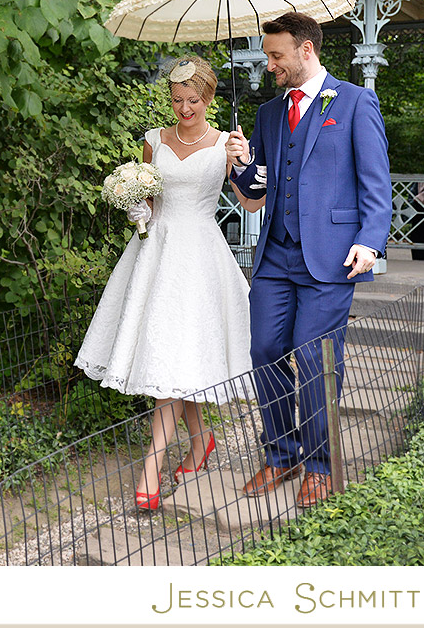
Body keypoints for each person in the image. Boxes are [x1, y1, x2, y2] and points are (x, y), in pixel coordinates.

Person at [75, 55, 265, 511]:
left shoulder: (225, 144)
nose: (184, 109)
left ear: (209, 98)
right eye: (178, 100)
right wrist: (137, 210)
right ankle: (201, 443)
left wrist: (243, 164)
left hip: (200, 259)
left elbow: (253, 204)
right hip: (155, 257)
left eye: (193, 100)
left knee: (176, 360)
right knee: (172, 356)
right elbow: (150, 200)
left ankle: (151, 466)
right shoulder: (152, 142)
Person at [225, 12, 391, 509]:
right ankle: (281, 455)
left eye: (276, 55)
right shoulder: (269, 115)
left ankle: (320, 464)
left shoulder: (356, 102)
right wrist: (240, 164)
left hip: (333, 255)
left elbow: (376, 183)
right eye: (267, 55)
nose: (269, 65)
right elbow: (256, 189)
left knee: (314, 356)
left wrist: (371, 240)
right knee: (264, 349)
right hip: (275, 254)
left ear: (306, 51)